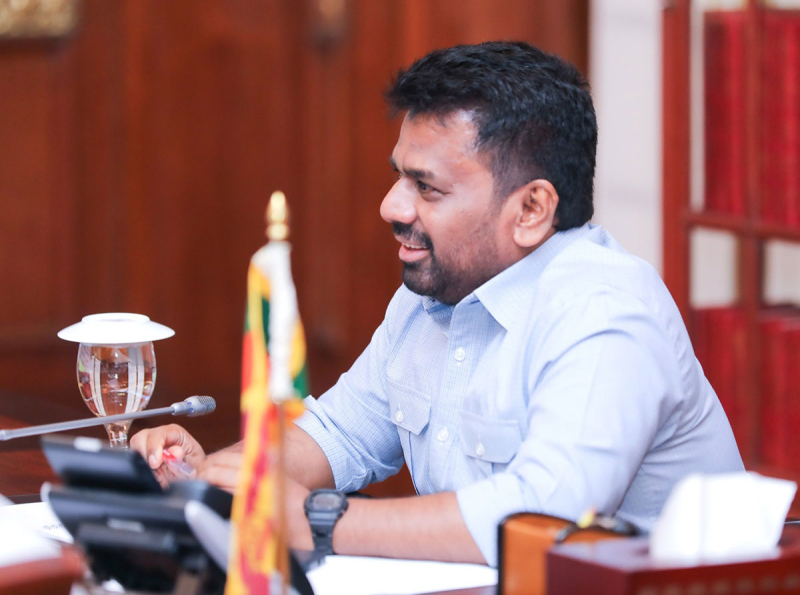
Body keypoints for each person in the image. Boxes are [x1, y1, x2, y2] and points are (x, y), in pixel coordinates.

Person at [132, 41, 744, 567]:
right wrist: (212, 477)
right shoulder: (432, 297)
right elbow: (339, 435)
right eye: (400, 176)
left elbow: (544, 520)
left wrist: (318, 520)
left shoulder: (606, 313)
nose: (391, 207)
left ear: (531, 209)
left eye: (426, 187)